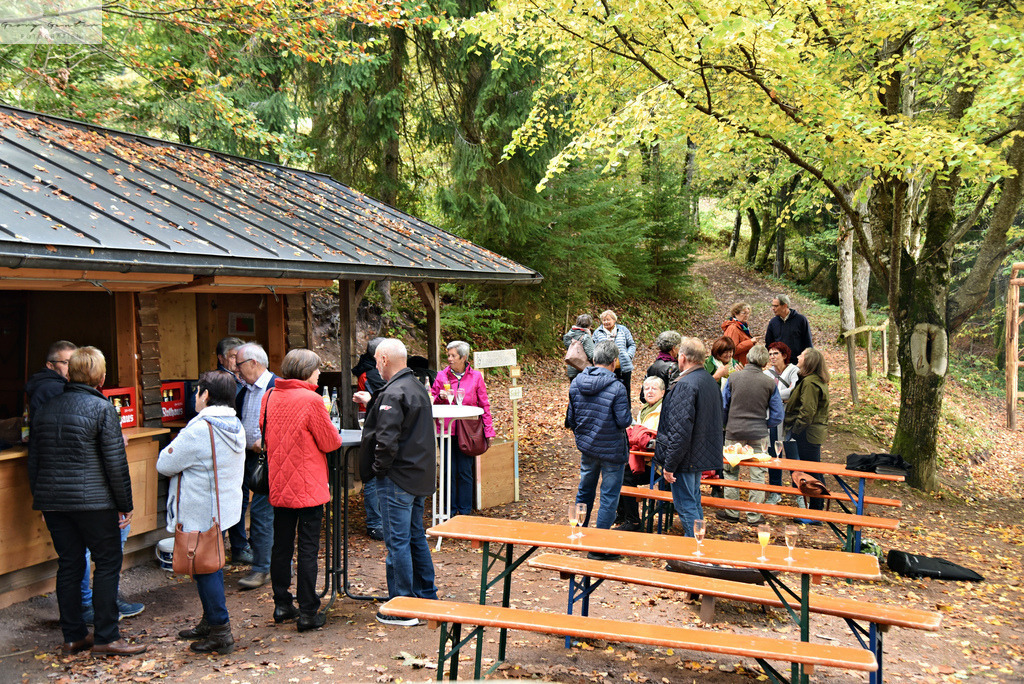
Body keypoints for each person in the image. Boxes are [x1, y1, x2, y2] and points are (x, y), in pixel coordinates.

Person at [27, 347, 146, 656]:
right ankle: (106, 635)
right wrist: (126, 504)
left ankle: (74, 636)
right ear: (101, 377)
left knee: (69, 565)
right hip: (95, 503)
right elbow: (115, 464)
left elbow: (34, 460)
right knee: (106, 564)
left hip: (54, 503)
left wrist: (40, 500)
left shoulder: (46, 408)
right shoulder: (102, 409)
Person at [158, 370, 245, 654]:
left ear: (205, 395)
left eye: (197, 391)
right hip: (222, 507)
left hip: (202, 509)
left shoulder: (200, 429)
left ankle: (221, 630)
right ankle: (210, 621)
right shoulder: (235, 424)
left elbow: (164, 464)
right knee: (210, 565)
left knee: (206, 569)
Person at [356, 339, 438, 626]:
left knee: (399, 542)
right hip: (418, 476)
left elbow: (386, 441)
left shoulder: (394, 392)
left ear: (383, 359)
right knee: (415, 537)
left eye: (377, 360)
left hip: (398, 478)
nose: (376, 364)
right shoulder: (416, 385)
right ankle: (426, 597)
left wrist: (378, 471)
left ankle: (402, 606)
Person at [262, 349, 343, 632]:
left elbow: (264, 431)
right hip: (308, 485)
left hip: (280, 482)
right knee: (307, 548)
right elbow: (330, 442)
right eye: (317, 369)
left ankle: (282, 603)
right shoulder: (311, 399)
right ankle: (308, 611)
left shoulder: (270, 395)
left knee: (281, 546)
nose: (320, 374)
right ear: (307, 371)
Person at [653, 338, 724, 540]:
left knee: (686, 504)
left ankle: (694, 550)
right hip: (698, 453)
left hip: (686, 457)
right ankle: (698, 546)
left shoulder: (685, 385)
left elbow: (679, 431)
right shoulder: (710, 381)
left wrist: (669, 465)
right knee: (693, 501)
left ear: (682, 357)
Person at [565, 340, 631, 558]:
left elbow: (571, 419)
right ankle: (599, 548)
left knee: (585, 490)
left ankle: (578, 536)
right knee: (609, 496)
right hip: (612, 450)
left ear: (594, 360)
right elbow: (624, 421)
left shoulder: (576, 383)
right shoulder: (617, 387)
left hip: (588, 448)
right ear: (614, 362)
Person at [718, 345, 783, 525]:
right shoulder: (770, 383)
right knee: (758, 474)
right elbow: (777, 414)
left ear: (748, 358)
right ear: (764, 362)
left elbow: (723, 406)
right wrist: (764, 424)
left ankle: (731, 512)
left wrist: (727, 424)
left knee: (730, 471)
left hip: (734, 431)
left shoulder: (733, 378)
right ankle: (754, 515)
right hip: (759, 434)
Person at [430, 341, 496, 516]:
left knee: (465, 471)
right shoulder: (441, 376)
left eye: (453, 356)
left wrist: (488, 431)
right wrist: (440, 396)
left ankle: (465, 512)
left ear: (463, 357)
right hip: (445, 430)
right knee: (447, 472)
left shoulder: (475, 377)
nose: (449, 359)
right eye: (448, 355)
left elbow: (484, 404)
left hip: (467, 431)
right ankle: (448, 512)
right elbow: (431, 399)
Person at [234, 342, 277, 590]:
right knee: (259, 513)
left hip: (270, 460)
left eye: (239, 364)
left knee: (261, 514)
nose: (236, 370)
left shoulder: (276, 387)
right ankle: (271, 564)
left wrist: (268, 441)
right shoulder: (244, 391)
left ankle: (262, 569)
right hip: (247, 458)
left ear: (253, 363)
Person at [216, 337, 252, 566]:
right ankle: (219, 551)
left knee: (240, 500)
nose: (237, 363)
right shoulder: (217, 380)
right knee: (224, 502)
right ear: (221, 358)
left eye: (240, 359)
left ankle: (239, 547)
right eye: (232, 357)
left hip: (243, 449)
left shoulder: (244, 380)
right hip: (224, 450)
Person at [784, 348, 831, 521]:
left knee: (813, 472)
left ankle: (815, 513)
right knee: (813, 469)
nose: (798, 356)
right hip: (811, 432)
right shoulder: (813, 380)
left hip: (808, 433)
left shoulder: (810, 382)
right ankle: (815, 511)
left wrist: (796, 430)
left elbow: (807, 411)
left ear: (809, 361)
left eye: (801, 355)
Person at [618, 376, 667, 531]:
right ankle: (622, 515)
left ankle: (633, 522)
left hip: (655, 465)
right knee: (616, 470)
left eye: (654, 388)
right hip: (639, 460)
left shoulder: (663, 412)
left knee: (625, 476)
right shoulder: (644, 410)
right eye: (647, 388)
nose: (650, 391)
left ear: (663, 392)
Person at [352, 337, 386, 541]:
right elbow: (384, 400)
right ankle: (375, 523)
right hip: (373, 429)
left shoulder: (372, 370)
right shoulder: (369, 373)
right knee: (373, 477)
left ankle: (381, 521)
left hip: (381, 428)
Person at [764, 342, 800, 504]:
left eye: (776, 353)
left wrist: (774, 396)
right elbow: (763, 392)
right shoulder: (767, 374)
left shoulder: (794, 370)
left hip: (790, 419)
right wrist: (781, 398)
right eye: (770, 354)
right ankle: (775, 491)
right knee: (774, 455)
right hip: (773, 419)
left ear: (784, 355)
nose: (772, 357)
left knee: (793, 457)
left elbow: (794, 391)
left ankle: (799, 492)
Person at [592, 310, 637, 400]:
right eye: (604, 320)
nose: (606, 322)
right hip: (606, 367)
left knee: (625, 391)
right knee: (608, 392)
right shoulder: (597, 332)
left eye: (608, 319)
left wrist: (629, 356)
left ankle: (627, 411)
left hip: (623, 367)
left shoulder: (623, 330)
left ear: (614, 320)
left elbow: (631, 344)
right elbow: (594, 349)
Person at [25, 340, 76, 417]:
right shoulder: (53, 389)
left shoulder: (44, 383)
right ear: (50, 366)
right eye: (66, 362)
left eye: (74, 362)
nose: (72, 367)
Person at [765, 294, 813, 361]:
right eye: (772, 305)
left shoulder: (801, 320)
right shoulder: (773, 322)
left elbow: (808, 343)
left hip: (797, 364)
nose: (773, 308)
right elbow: (769, 345)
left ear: (785, 306)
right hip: (779, 364)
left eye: (776, 306)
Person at [643, 330, 681, 402]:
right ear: (673, 348)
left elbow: (643, 396)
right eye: (678, 346)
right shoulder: (674, 367)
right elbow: (674, 394)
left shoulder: (652, 366)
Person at [563, 314, 595, 381]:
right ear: (589, 325)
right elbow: (591, 355)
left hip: (571, 369)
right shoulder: (585, 336)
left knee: (574, 390)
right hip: (583, 370)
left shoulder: (568, 335)